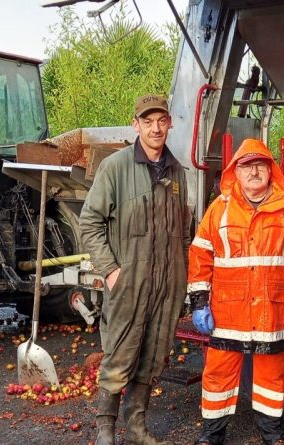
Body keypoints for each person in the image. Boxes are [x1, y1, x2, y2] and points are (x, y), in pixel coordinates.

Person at [80, 94, 190, 445]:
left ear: (170, 123)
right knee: (120, 353)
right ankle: (105, 427)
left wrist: (183, 277)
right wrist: (112, 271)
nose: (156, 128)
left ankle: (137, 426)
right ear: (136, 124)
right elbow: (90, 223)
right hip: (130, 283)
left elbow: (185, 232)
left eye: (162, 121)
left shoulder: (178, 173)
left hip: (168, 285)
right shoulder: (115, 167)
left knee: (155, 354)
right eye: (148, 121)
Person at [188, 138, 284, 445]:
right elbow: (201, 254)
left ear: (271, 171)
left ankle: (271, 435)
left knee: (272, 377)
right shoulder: (220, 209)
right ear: (235, 172)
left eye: (260, 165)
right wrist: (200, 301)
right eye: (247, 166)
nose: (254, 171)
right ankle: (211, 436)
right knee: (218, 375)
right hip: (229, 312)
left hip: (274, 311)